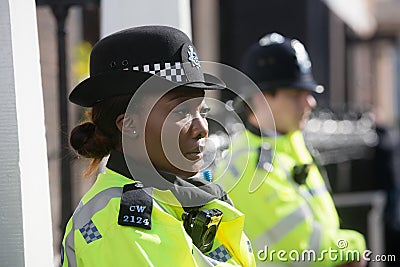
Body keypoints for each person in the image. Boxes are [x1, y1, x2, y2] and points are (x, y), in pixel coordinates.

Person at [60, 25, 256, 267]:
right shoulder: (118, 223)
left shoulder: (179, 198)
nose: (202, 128)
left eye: (202, 111)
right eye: (182, 111)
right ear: (130, 124)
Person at [215, 33, 366, 266]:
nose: (310, 103)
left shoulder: (289, 142)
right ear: (261, 97)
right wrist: (356, 246)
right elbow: (304, 249)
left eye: (309, 94)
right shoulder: (250, 165)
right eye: (296, 94)